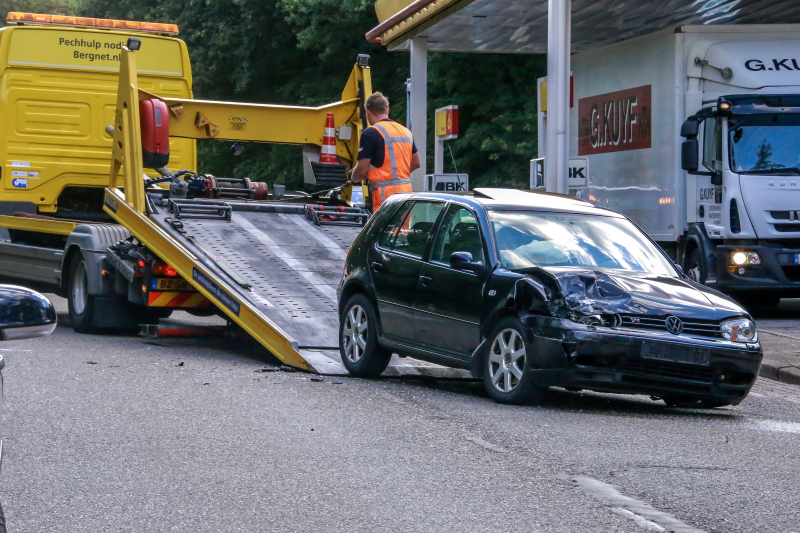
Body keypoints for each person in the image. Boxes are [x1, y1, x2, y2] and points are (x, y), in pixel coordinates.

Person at [350, 92, 421, 212]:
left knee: (383, 230)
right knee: (402, 230)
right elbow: (416, 163)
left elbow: (362, 170)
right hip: (406, 194)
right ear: (387, 111)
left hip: (384, 196)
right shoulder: (405, 131)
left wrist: (353, 178)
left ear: (367, 112)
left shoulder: (370, 133)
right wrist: (397, 176)